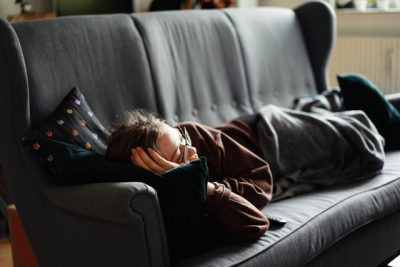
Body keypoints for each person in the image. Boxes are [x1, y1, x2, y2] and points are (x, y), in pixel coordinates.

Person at [106, 109, 273, 242]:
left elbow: (262, 182)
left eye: (183, 140)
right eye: (180, 156)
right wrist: (202, 185)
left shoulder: (193, 133)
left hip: (265, 130)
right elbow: (256, 223)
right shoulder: (176, 197)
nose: (193, 150)